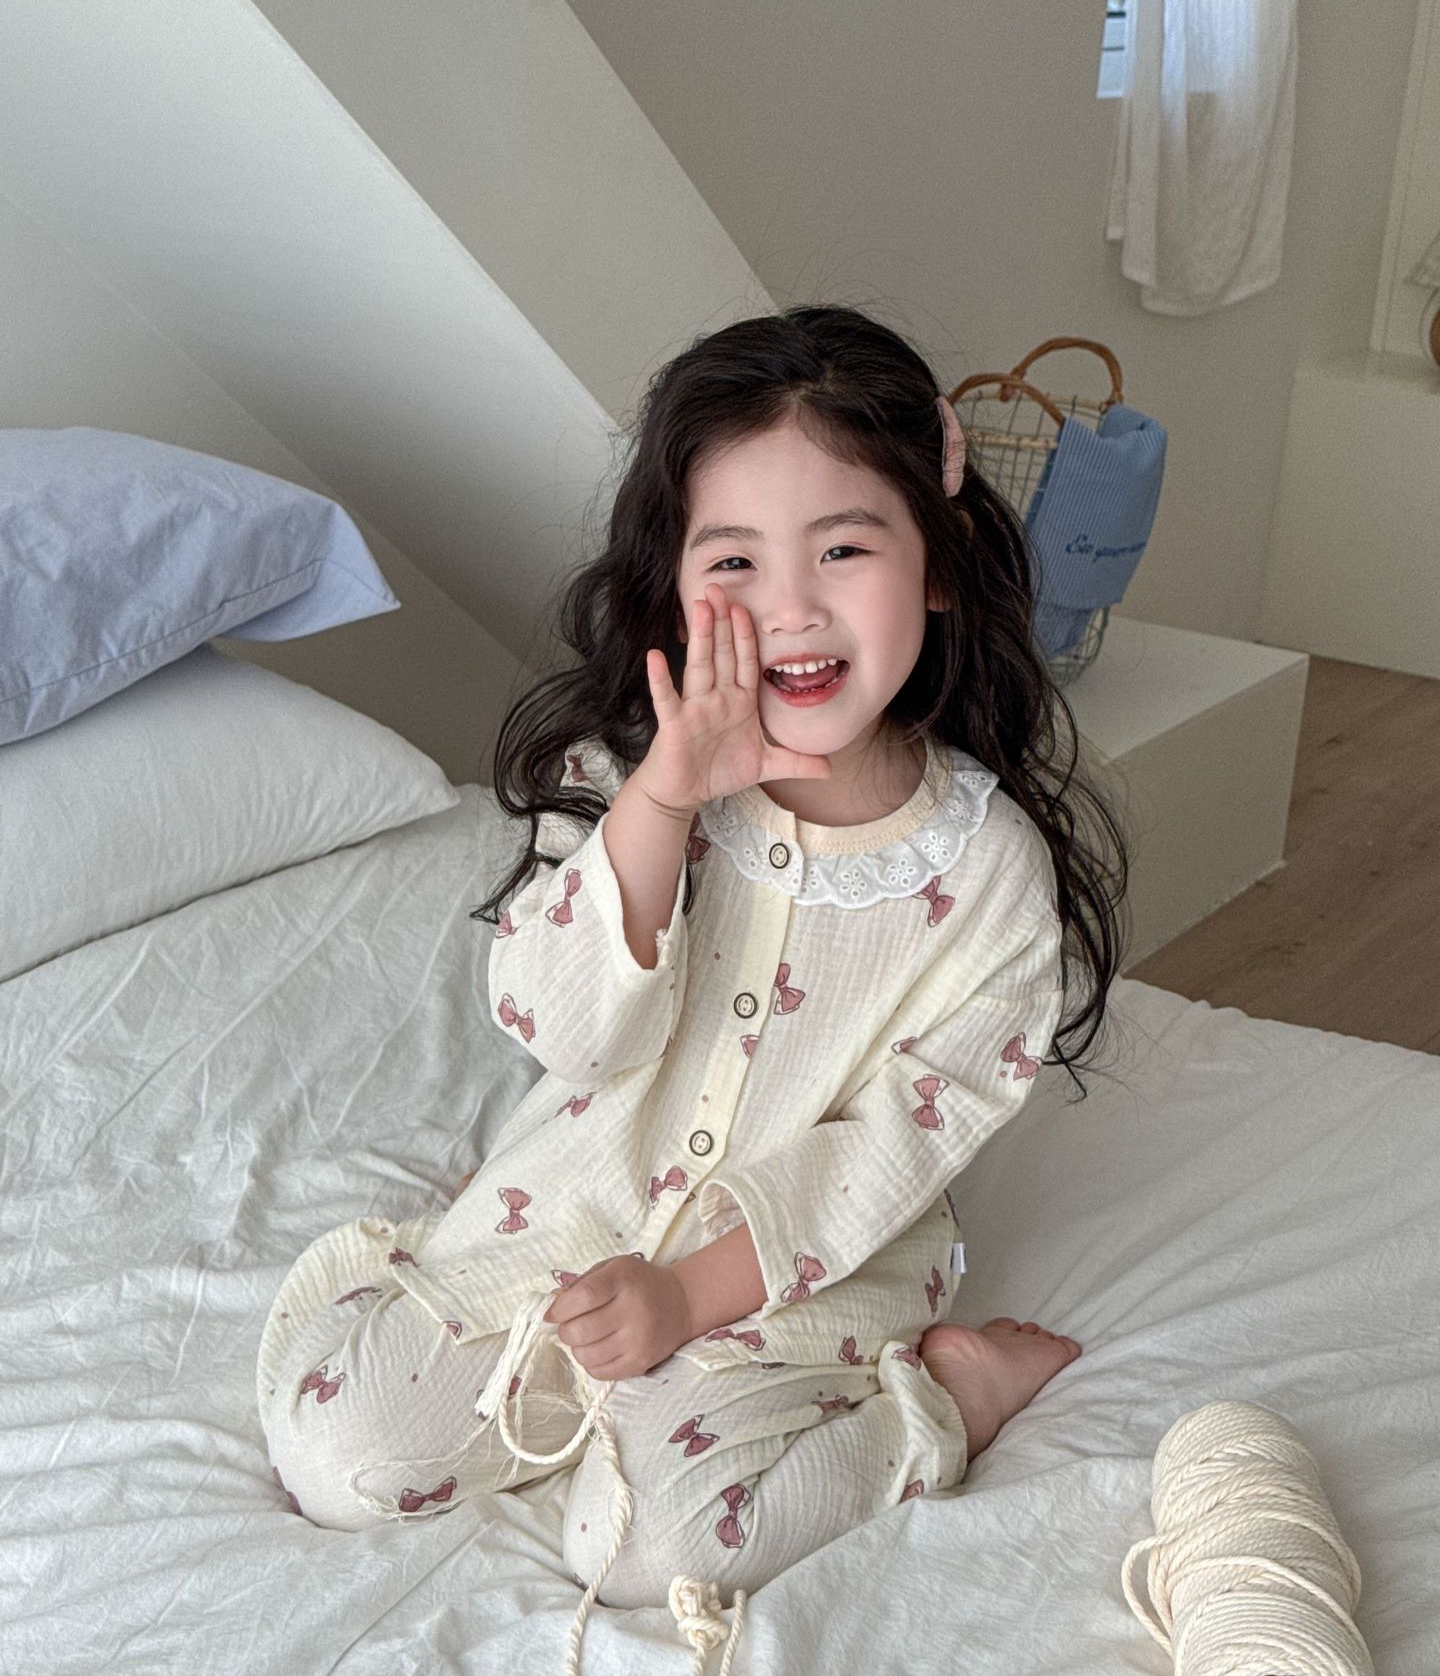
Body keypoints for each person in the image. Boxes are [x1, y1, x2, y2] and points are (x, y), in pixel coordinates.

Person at [255, 304, 1132, 1609]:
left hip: (802, 1270)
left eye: (844, 548)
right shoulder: (624, 778)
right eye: (735, 562)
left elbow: (887, 1150)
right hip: (574, 1213)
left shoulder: (990, 872)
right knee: (345, 1455)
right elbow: (559, 1030)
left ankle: (952, 1399)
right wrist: (664, 802)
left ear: (939, 568)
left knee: (650, 1556)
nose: (792, 608)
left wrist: (685, 1300)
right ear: (674, 585)